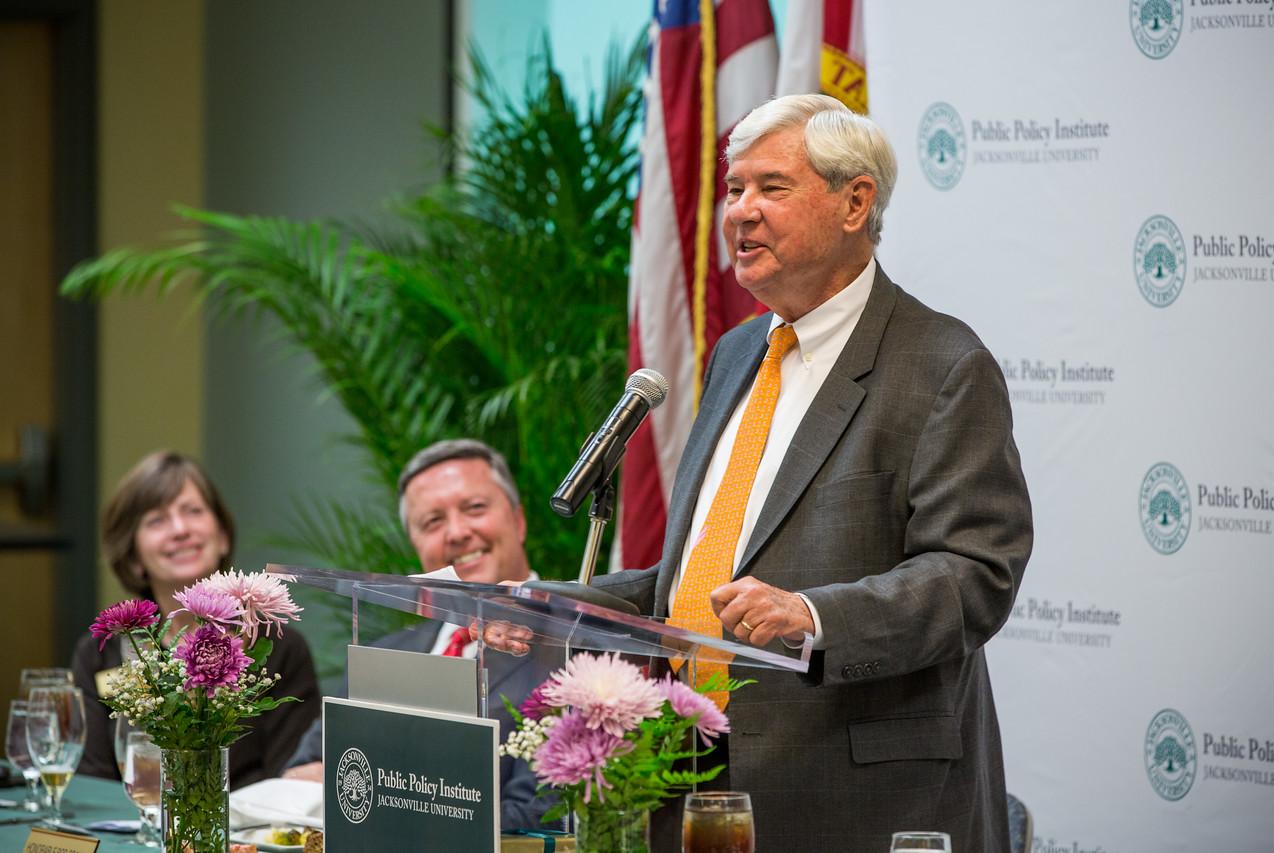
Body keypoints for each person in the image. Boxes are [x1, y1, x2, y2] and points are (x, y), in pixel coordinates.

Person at [590, 94, 1034, 852]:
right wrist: (555, 602)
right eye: (734, 190)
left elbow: (975, 574)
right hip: (691, 786)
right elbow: (703, 573)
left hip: (853, 802)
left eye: (771, 188)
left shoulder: (942, 363)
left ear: (855, 201)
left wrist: (816, 615)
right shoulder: (736, 353)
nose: (740, 213)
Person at [283, 439, 555, 832]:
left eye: (475, 508)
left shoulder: (570, 650)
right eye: (433, 522)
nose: (458, 532)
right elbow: (295, 781)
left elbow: (542, 812)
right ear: (416, 545)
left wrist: (384, 792)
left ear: (519, 520)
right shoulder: (383, 656)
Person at [72, 450, 321, 788]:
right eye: (156, 520)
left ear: (223, 537)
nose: (180, 530)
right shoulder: (100, 654)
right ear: (133, 558)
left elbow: (287, 782)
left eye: (193, 511)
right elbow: (93, 785)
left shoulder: (278, 646)